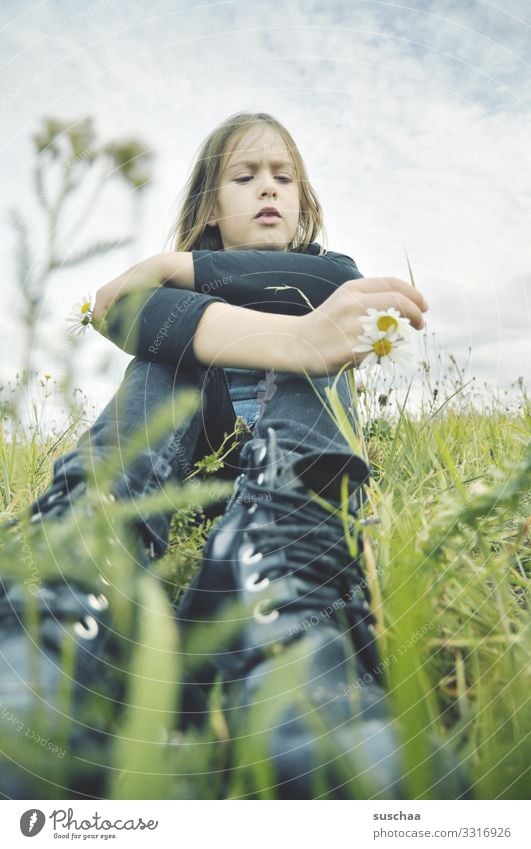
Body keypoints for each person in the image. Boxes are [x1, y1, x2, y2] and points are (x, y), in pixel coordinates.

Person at [0, 111, 467, 800]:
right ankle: (77, 554)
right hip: (179, 481)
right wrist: (176, 277)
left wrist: (178, 271)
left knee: (297, 348)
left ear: (303, 202)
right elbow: (113, 306)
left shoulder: (326, 273)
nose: (268, 188)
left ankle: (280, 605)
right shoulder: (184, 285)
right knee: (167, 358)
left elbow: (320, 298)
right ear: (210, 206)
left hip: (276, 503)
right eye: (244, 177)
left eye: (283, 177)